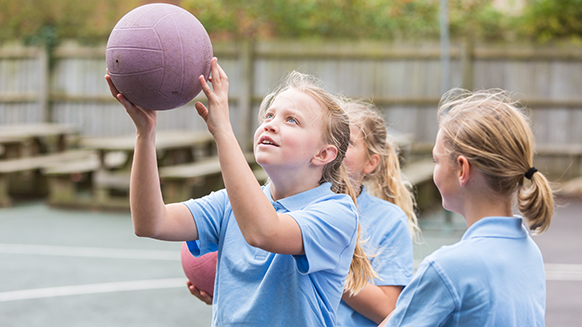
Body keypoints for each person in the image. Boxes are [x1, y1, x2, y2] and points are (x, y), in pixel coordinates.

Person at [105, 58, 376, 326]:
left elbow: (263, 232)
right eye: (269, 115)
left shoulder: (337, 213)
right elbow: (150, 222)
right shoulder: (229, 204)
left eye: (292, 120)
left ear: (323, 154)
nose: (270, 123)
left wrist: (223, 130)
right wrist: (145, 133)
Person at [380, 89, 554, 327]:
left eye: (436, 161)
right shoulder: (530, 253)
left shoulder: (447, 268)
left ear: (462, 169)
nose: (435, 170)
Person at [336, 100, 420, 326]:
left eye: (348, 141)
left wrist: (320, 258)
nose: (336, 146)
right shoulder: (294, 205)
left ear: (371, 163)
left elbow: (388, 307)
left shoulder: (389, 220)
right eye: (330, 136)